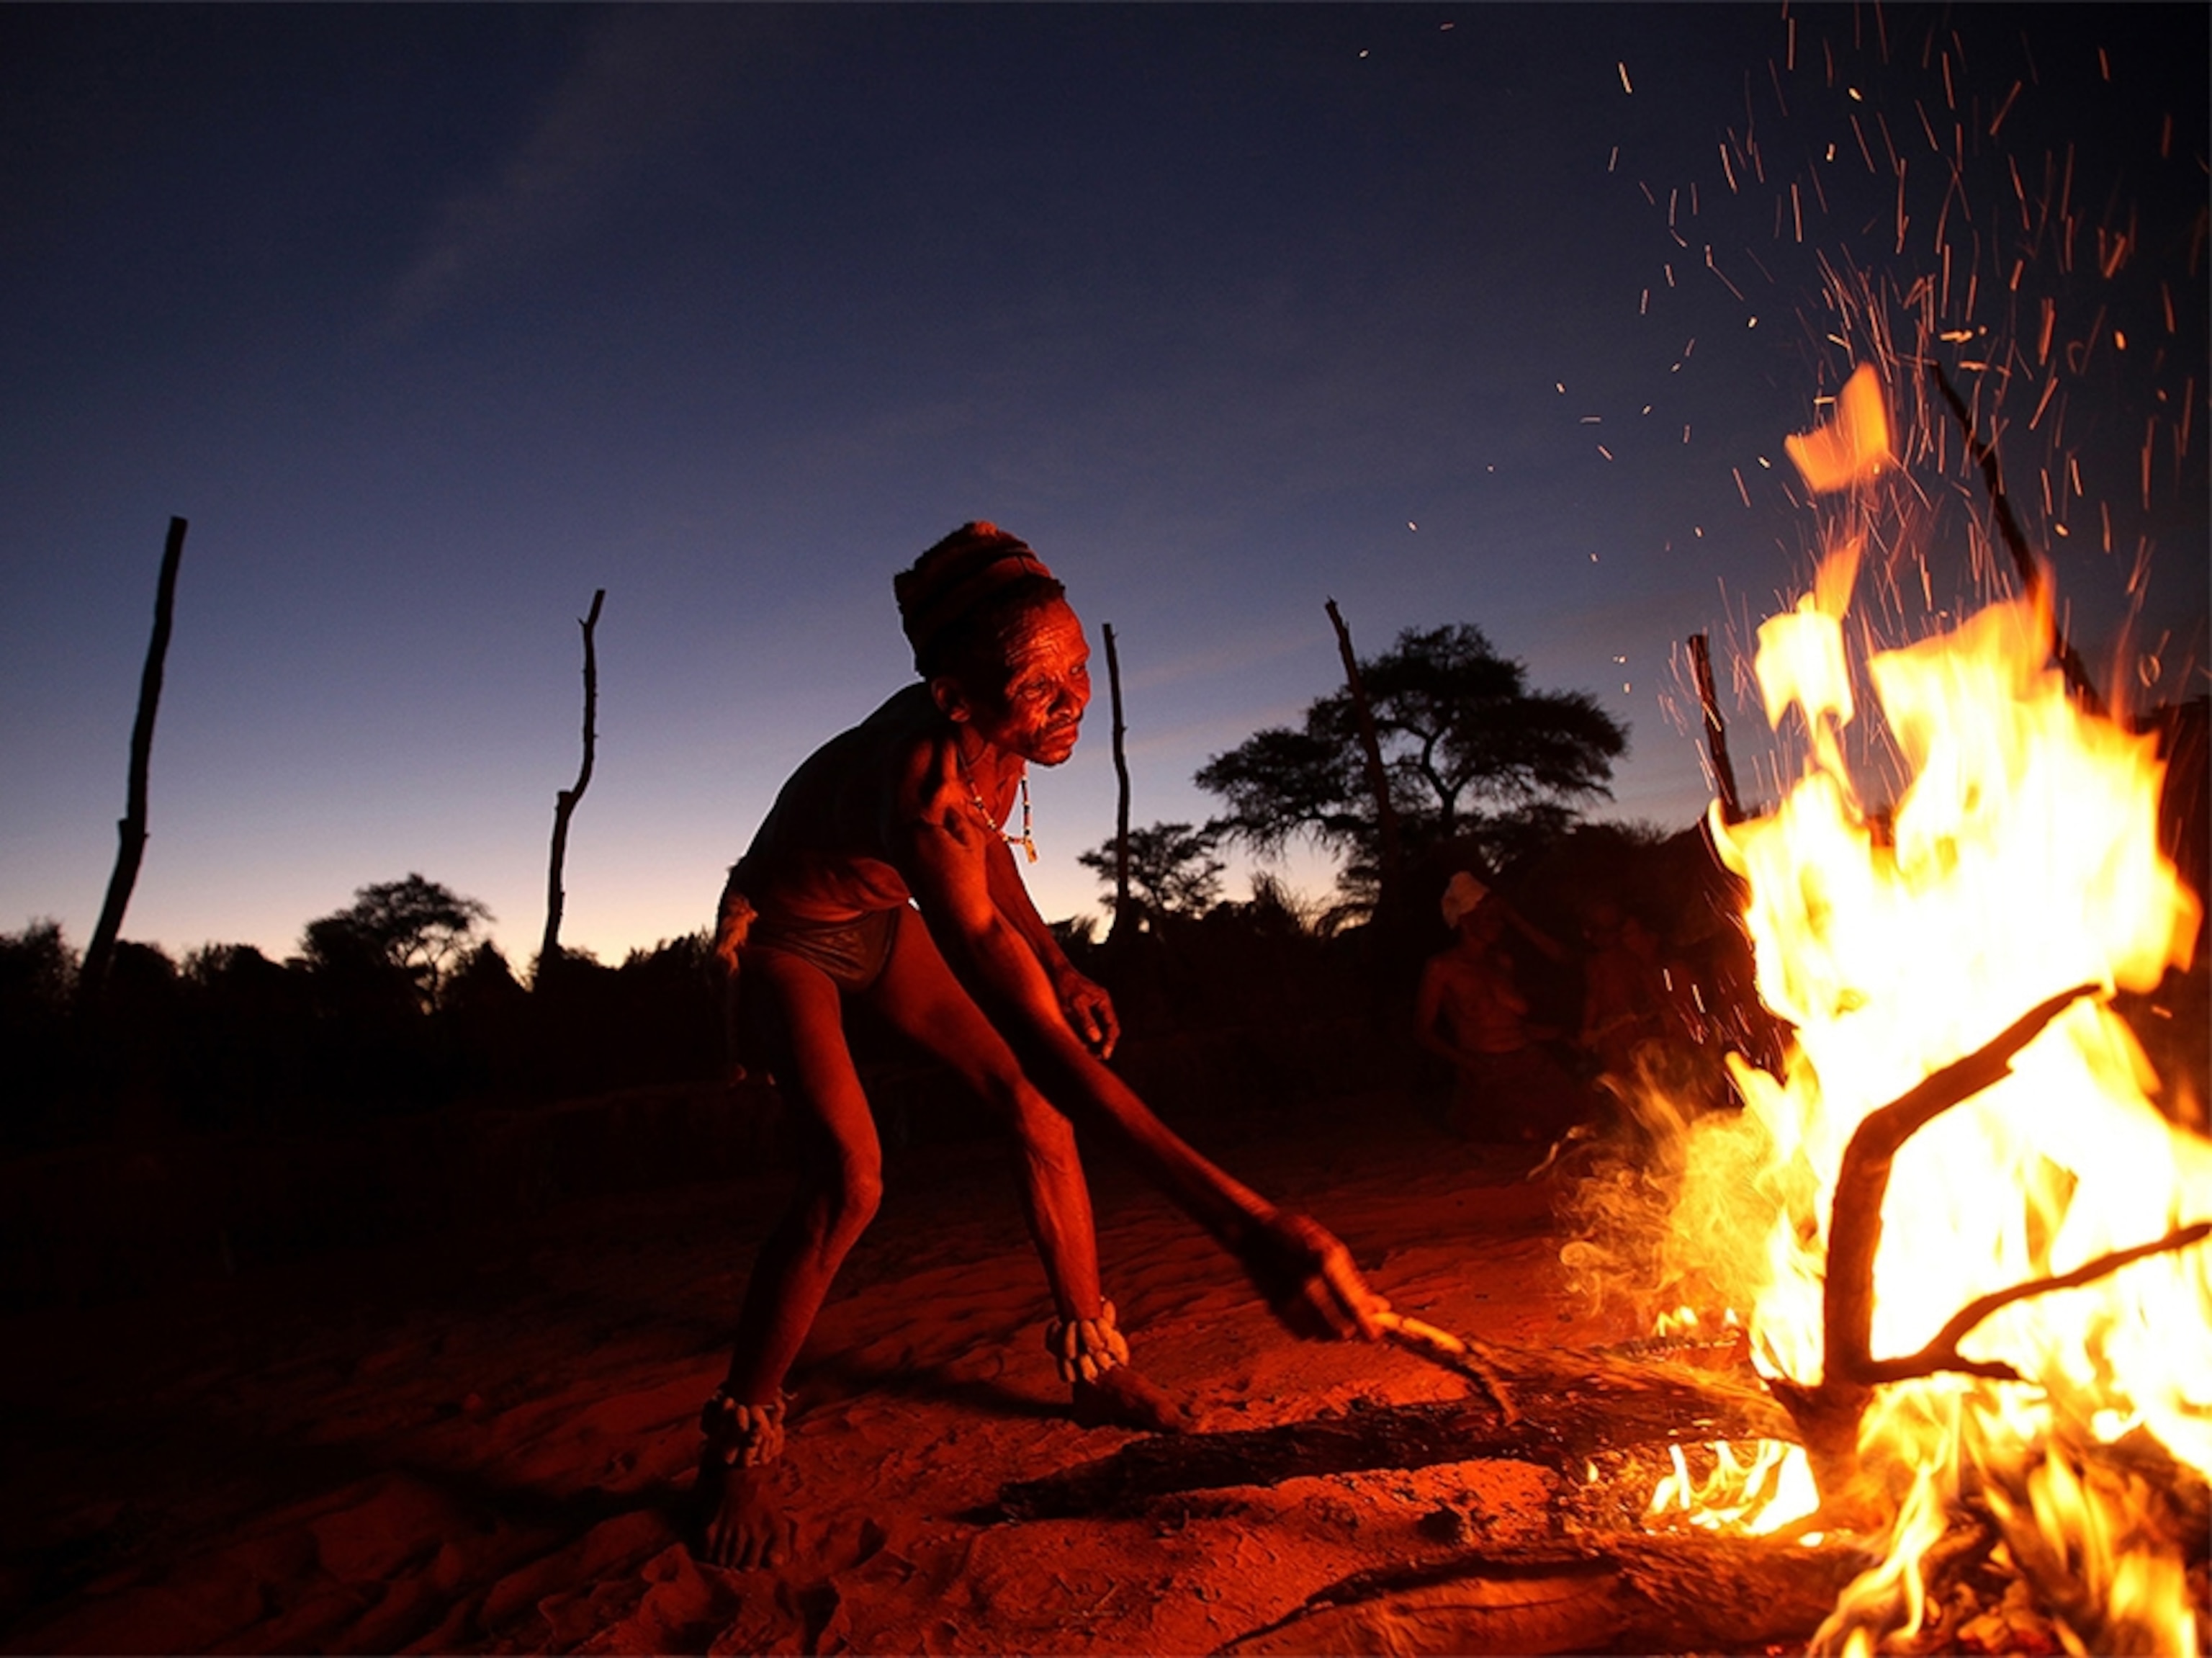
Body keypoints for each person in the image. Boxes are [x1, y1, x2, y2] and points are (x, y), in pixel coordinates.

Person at [697, 522, 1386, 1569]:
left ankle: (1093, 1364)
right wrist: (1243, 1222)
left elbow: (991, 856)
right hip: (792, 940)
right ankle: (740, 1437)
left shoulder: (989, 742)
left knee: (1035, 1110)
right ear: (958, 699)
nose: (1069, 700)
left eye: (1078, 669)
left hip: (880, 923)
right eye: (1038, 685)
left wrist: (1057, 962)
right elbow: (993, 951)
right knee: (851, 1177)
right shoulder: (919, 788)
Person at [1415, 871, 1591, 1143]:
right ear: (1465, 919)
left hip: (1531, 1062)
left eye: (1499, 918)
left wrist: (1557, 1034)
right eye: (1489, 917)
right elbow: (1423, 1032)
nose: (1498, 925)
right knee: (1523, 1134)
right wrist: (1469, 1065)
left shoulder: (1502, 962)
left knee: (1580, 1125)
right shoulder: (1442, 969)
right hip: (1490, 1070)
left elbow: (1512, 1023)